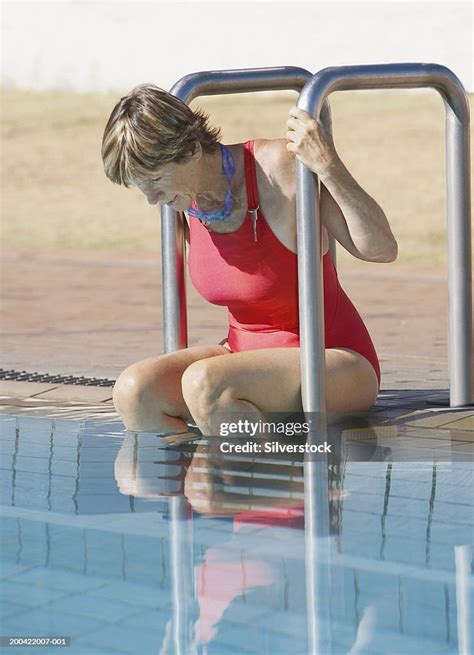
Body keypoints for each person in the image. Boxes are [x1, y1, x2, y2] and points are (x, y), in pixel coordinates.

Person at [101, 84, 397, 434]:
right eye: (140, 185)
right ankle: (194, 483)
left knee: (206, 384)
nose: (152, 198)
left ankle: (277, 482)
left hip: (334, 360)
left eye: (155, 179)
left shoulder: (276, 169)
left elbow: (381, 249)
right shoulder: (182, 201)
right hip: (243, 359)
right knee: (134, 392)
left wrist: (328, 166)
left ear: (193, 150)